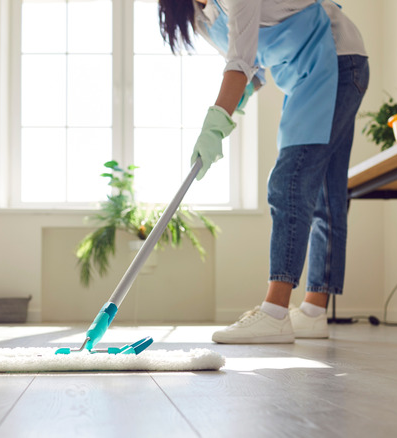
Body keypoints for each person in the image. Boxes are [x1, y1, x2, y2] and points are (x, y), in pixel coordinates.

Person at [158, 0, 369, 343]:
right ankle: (314, 312)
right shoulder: (200, 18)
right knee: (324, 194)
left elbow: (240, 63)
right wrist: (234, 105)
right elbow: (252, 69)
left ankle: (274, 312)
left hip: (337, 61)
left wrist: (216, 122)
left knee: (289, 182)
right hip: (306, 73)